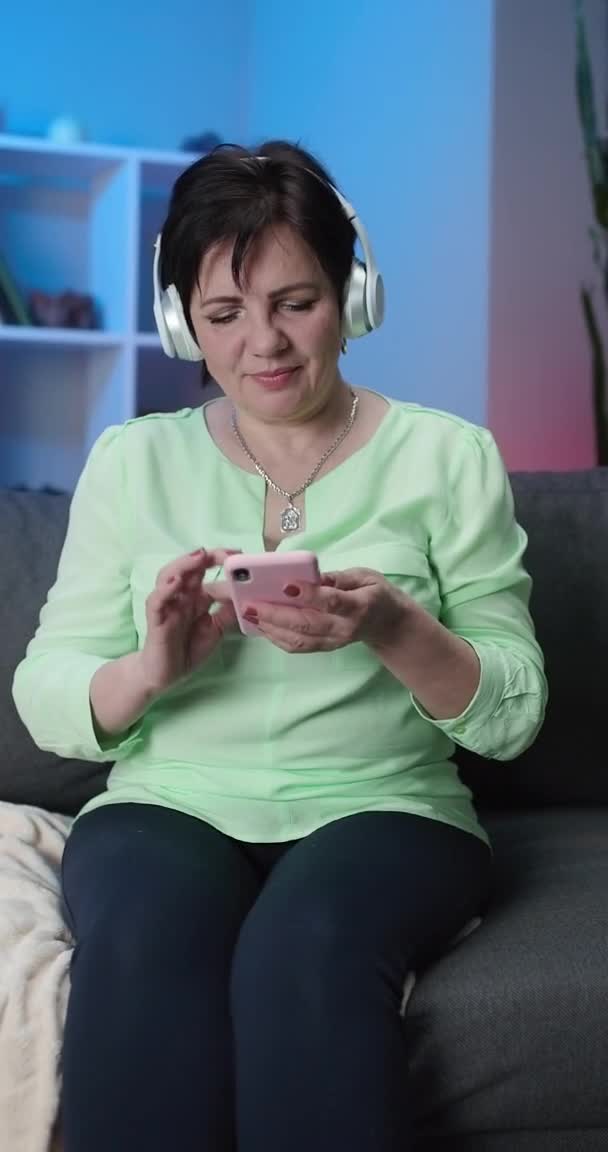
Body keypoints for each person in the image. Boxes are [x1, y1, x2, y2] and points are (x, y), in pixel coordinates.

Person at [12, 140, 547, 1152]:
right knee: (148, 936)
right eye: (223, 315)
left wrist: (392, 625)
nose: (263, 343)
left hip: (385, 807)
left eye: (295, 302)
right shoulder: (133, 462)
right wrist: (150, 669)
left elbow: (513, 710)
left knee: (301, 947)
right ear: (182, 323)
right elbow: (47, 686)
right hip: (168, 803)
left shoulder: (445, 456)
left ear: (353, 295)